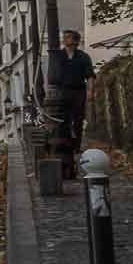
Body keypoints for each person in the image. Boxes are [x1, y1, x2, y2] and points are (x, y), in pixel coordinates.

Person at [46, 29, 95, 164]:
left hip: (78, 91)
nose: (64, 39)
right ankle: (66, 145)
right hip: (62, 91)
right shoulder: (58, 56)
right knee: (64, 120)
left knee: (78, 119)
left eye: (68, 37)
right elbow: (51, 76)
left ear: (75, 41)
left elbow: (90, 76)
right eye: (64, 37)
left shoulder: (83, 57)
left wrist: (90, 91)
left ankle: (76, 146)